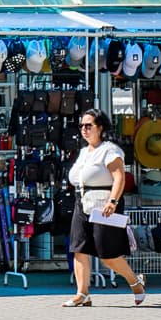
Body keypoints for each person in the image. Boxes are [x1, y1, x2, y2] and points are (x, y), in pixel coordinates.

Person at [63, 107, 147, 307]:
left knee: (108, 256)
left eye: (88, 125)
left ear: (100, 127)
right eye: (81, 126)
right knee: (79, 249)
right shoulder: (84, 152)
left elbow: (119, 177)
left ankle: (135, 282)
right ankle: (82, 294)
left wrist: (113, 201)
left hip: (104, 204)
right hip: (82, 202)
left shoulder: (110, 150)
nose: (84, 129)